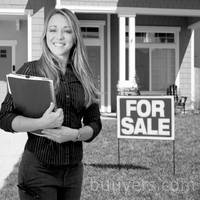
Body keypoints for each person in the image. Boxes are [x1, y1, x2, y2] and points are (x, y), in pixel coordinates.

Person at [0, 8, 102, 200]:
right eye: (53, 30)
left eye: (67, 30)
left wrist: (75, 134)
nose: (59, 36)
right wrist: (41, 124)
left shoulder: (85, 76)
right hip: (38, 170)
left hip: (73, 174)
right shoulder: (30, 70)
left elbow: (95, 123)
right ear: (45, 35)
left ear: (75, 37)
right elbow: (5, 118)